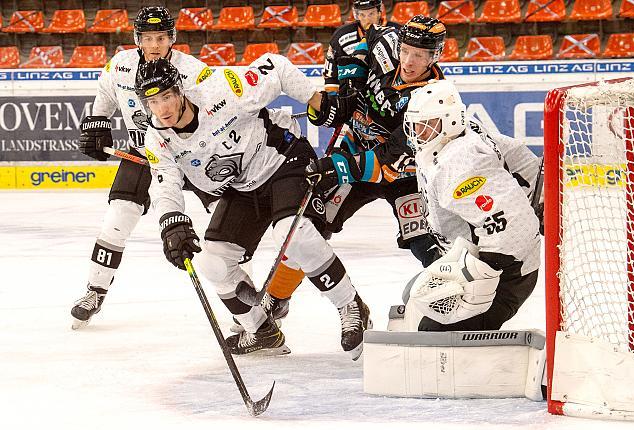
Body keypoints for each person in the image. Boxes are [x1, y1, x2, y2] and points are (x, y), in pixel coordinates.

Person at [136, 55, 371, 359]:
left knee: (293, 234)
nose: (162, 109)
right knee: (213, 262)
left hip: (283, 160)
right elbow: (164, 181)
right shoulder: (156, 137)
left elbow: (276, 66)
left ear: (180, 90)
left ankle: (350, 305)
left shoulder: (220, 91)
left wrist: (317, 99)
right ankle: (261, 330)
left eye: (167, 97)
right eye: (152, 102)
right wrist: (172, 222)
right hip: (243, 187)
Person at [248, 16, 447, 332]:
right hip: (356, 150)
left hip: (403, 174)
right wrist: (331, 102)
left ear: (435, 56)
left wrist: (336, 167)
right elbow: (346, 64)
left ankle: (452, 305)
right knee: (309, 226)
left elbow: (389, 159)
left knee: (423, 240)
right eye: (406, 51)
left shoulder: (434, 96)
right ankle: (275, 298)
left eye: (420, 55)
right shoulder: (382, 49)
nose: (409, 61)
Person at [70, 6, 215, 330]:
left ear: (171, 38)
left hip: (193, 156)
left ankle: (249, 300)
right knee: (118, 217)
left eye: (161, 37)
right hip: (144, 154)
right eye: (147, 38)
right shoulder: (119, 66)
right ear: (137, 39)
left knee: (223, 230)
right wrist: (97, 124)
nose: (154, 45)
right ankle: (95, 290)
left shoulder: (193, 70)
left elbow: (215, 109)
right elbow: (105, 94)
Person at [398, 79, 541, 331]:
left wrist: (480, 277)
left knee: (430, 326)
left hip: (506, 275)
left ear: (450, 121)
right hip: (479, 259)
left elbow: (512, 231)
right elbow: (518, 154)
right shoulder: (467, 132)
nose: (418, 134)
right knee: (413, 297)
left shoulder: (457, 162)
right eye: (416, 126)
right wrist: (538, 199)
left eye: (427, 126)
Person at [324, 0, 399, 95]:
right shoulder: (340, 36)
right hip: (354, 93)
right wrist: (334, 98)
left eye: (371, 14)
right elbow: (331, 75)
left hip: (388, 92)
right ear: (357, 16)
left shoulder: (397, 32)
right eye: (362, 15)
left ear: (379, 13)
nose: (367, 20)